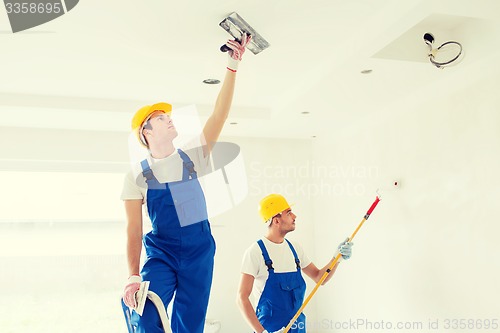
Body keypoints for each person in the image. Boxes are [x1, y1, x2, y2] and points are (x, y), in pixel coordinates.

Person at [121, 34, 251, 333]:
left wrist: (232, 64)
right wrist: (132, 275)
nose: (169, 119)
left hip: (199, 251)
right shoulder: (136, 177)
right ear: (146, 133)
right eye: (160, 118)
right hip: (161, 253)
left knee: (190, 325)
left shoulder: (193, 158)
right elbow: (134, 230)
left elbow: (220, 113)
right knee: (144, 312)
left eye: (168, 115)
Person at [237, 194, 353, 333]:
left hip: (298, 328)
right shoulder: (255, 252)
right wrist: (262, 332)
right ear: (276, 220)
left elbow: (319, 277)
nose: (295, 216)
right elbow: (241, 297)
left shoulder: (295, 250)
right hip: (270, 329)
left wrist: (336, 258)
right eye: (289, 212)